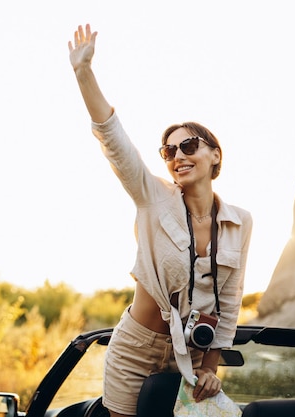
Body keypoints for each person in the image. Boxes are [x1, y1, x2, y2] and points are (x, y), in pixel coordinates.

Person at [67, 24, 253, 417]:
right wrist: (84, 73)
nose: (177, 156)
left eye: (188, 145)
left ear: (215, 155)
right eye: (169, 151)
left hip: (188, 356)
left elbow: (230, 301)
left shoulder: (240, 222)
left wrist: (209, 367)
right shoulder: (154, 199)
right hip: (135, 347)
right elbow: (115, 143)